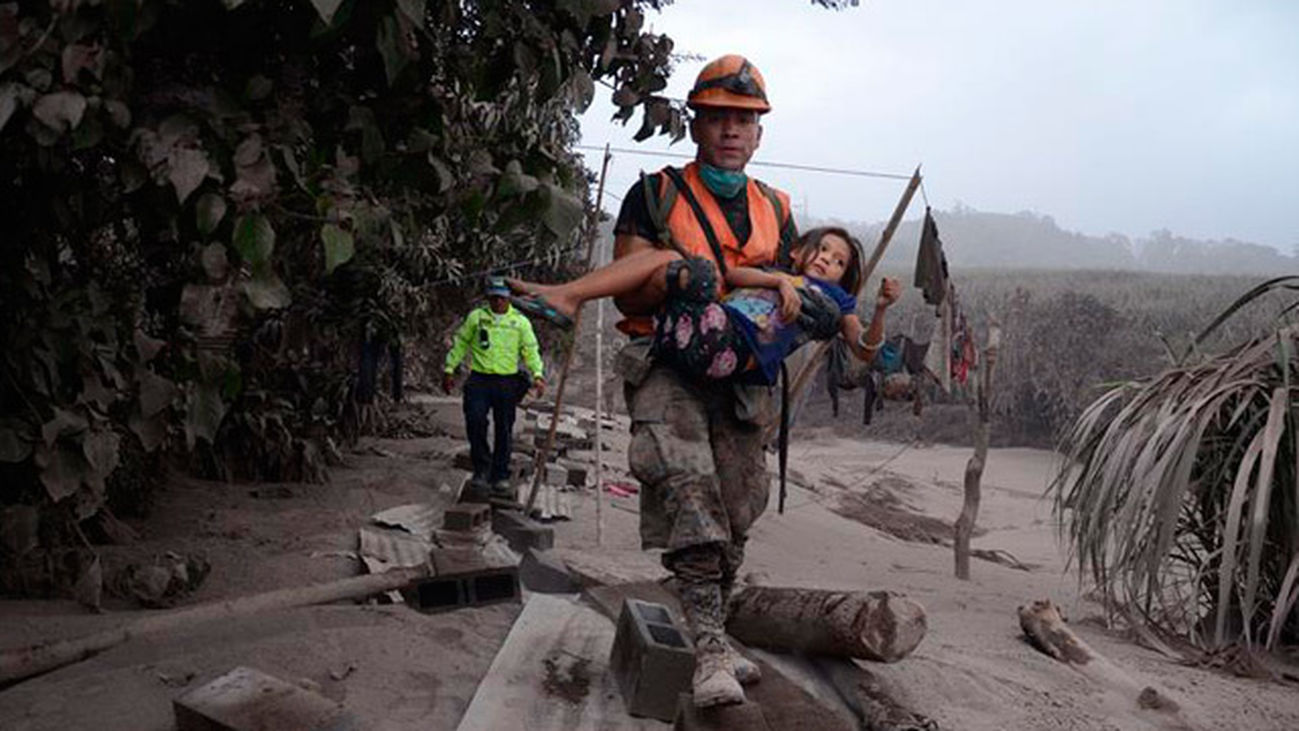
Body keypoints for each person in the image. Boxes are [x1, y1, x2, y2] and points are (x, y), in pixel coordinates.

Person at [531, 54, 891, 708]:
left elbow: (800, 296)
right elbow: (632, 288)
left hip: (745, 377)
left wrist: (812, 307)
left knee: (738, 503)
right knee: (689, 494)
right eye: (718, 117)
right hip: (668, 361)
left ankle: (714, 631)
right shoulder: (656, 193)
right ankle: (709, 649)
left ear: (759, 135)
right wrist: (687, 285)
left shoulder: (777, 210)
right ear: (695, 125)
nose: (730, 130)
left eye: (744, 121)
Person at [509, 226, 901, 386]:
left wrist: (881, 308)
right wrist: (780, 280)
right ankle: (567, 295)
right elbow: (734, 275)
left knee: (679, 266)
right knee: (674, 265)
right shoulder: (779, 275)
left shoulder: (837, 299)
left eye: (839, 262)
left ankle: (569, 295)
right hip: (704, 326)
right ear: (798, 252)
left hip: (731, 350)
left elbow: (864, 349)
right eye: (823, 250)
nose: (828, 261)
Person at [442, 277, 545, 502]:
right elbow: (461, 343)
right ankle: (481, 469)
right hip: (480, 380)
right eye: (494, 297)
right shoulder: (477, 318)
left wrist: (537, 375)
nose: (498, 301)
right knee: (475, 421)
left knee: (504, 428)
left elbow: (530, 350)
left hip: (507, 382)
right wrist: (449, 368)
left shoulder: (520, 322)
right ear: (488, 297)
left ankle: (500, 474)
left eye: (502, 297)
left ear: (509, 298)